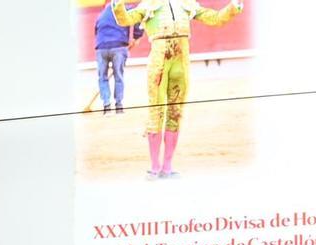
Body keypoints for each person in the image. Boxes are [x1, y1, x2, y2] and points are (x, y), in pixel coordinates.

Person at [111, 0, 244, 178]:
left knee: (176, 112)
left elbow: (215, 19)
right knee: (156, 111)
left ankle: (167, 167)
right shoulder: (148, 4)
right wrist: (118, 5)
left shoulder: (186, 3)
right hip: (159, 60)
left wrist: (233, 7)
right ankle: (155, 166)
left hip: (181, 59)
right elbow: (125, 19)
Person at [94, 1, 143, 114]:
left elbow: (96, 32)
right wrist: (136, 36)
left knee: (102, 77)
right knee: (118, 76)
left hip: (101, 47)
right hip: (119, 47)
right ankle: (119, 106)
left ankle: (106, 107)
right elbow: (138, 19)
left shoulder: (101, 14)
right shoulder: (124, 8)